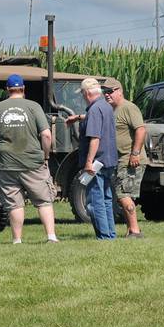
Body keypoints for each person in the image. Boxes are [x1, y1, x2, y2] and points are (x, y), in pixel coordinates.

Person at [0, 74, 58, 244]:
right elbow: (46, 135)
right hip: (33, 162)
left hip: (7, 163)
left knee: (14, 203)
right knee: (43, 200)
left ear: (7, 90)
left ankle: (17, 240)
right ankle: (51, 236)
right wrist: (45, 156)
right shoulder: (33, 106)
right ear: (23, 89)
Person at [67, 78, 118, 240]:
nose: (82, 96)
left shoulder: (94, 110)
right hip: (109, 160)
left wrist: (88, 162)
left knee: (95, 201)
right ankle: (111, 233)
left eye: (82, 93)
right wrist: (80, 117)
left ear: (88, 93)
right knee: (107, 198)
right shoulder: (106, 107)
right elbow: (96, 119)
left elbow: (95, 138)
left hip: (96, 163)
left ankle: (104, 236)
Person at [104, 82, 146, 238]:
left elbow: (141, 129)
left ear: (119, 91)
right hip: (120, 159)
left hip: (130, 159)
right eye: (104, 92)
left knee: (123, 194)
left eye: (110, 91)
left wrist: (135, 153)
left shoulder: (128, 107)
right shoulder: (112, 110)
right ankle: (130, 230)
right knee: (123, 193)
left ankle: (135, 230)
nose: (106, 94)